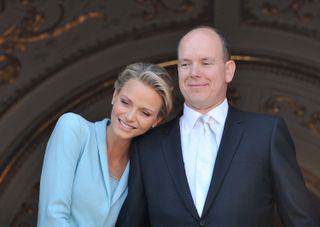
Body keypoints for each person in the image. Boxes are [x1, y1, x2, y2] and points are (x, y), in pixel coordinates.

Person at [116, 27, 320, 226]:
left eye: (206, 63)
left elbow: (301, 220)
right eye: (185, 64)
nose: (194, 73)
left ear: (228, 70)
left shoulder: (266, 134)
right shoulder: (147, 146)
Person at [37, 62, 174, 227]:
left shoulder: (145, 167)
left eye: (144, 113)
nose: (130, 116)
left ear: (156, 121)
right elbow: (51, 218)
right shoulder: (73, 129)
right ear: (115, 95)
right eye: (125, 102)